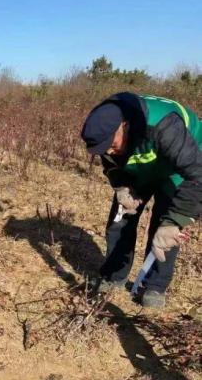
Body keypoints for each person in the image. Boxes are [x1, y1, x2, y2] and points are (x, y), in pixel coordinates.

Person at [81, 92, 201, 308]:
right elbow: (112, 164)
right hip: (145, 165)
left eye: (111, 144)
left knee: (163, 229)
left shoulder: (164, 126)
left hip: (182, 168)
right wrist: (122, 187)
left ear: (124, 125)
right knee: (120, 220)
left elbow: (198, 175)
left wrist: (176, 220)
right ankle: (114, 275)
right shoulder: (104, 129)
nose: (108, 150)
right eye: (103, 148)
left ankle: (154, 286)